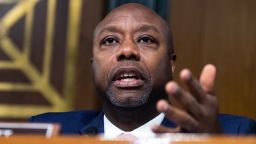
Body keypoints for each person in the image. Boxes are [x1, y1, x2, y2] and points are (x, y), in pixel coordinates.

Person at [30, 3, 256, 137]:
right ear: (93, 64)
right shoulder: (47, 131)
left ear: (171, 63)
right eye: (110, 41)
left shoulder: (235, 133)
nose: (127, 50)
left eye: (146, 39)